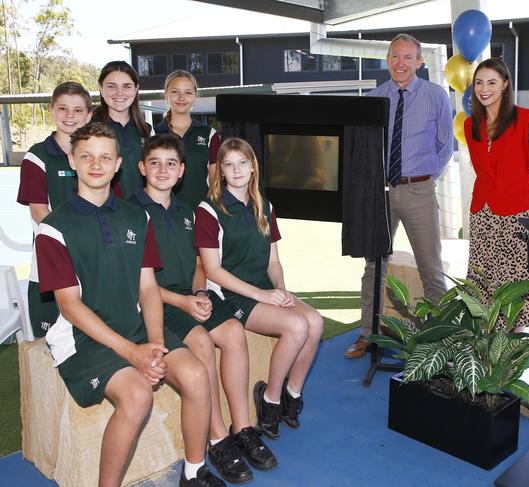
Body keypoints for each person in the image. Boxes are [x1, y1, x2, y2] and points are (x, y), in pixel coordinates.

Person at [35, 123, 224, 487]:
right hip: (82, 337)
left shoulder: (137, 216)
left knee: (197, 375)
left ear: (119, 163)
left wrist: (154, 343)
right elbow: (71, 307)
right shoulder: (54, 228)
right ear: (72, 160)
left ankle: (193, 472)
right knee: (137, 396)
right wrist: (133, 354)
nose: (96, 163)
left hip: (135, 327)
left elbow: (148, 287)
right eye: (86, 156)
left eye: (105, 156)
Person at [130, 134, 277, 483]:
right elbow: (140, 284)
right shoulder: (132, 213)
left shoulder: (186, 211)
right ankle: (217, 440)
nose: (163, 170)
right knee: (201, 344)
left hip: (187, 296)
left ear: (182, 171)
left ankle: (241, 429)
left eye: (171, 163)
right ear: (141, 168)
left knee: (233, 333)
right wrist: (183, 301)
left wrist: (199, 292)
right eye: (154, 163)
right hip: (154, 302)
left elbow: (199, 262)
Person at [195, 137, 323, 440]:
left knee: (315, 322)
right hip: (231, 294)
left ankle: (293, 393)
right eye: (229, 164)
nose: (236, 169)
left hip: (263, 288)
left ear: (253, 167)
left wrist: (281, 289)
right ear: (221, 170)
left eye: (243, 162)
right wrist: (263, 295)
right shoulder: (208, 210)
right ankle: (270, 399)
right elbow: (212, 270)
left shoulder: (264, 205)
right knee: (295, 327)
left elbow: (273, 260)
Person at [346, 33, 454, 358]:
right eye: (395, 56)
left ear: (419, 62)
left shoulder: (436, 96)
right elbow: (365, 147)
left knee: (430, 268)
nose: (401, 63)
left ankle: (441, 341)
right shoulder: (374, 97)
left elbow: (446, 146)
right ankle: (368, 334)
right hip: (381, 193)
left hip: (419, 190)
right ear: (387, 60)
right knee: (374, 265)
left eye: (408, 57)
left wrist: (424, 177)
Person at [463, 58, 529, 329]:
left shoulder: (528, 119)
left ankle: (510, 354)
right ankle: (486, 348)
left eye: (492, 82)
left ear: (506, 84)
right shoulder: (469, 125)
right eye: (479, 82)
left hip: (519, 214)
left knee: (514, 283)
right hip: (482, 213)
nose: (484, 89)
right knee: (483, 280)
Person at [17, 81, 92, 338]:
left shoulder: (94, 154)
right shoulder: (37, 156)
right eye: (63, 108)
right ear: (51, 110)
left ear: (89, 115)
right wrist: (71, 241)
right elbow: (39, 211)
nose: (70, 116)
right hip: (52, 254)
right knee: (48, 340)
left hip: (90, 257)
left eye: (78, 110)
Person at [154, 70, 221, 209]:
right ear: (166, 94)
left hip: (200, 215)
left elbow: (216, 182)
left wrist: (204, 212)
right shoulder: (153, 133)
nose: (181, 97)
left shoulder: (210, 135)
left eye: (188, 92)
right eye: (175, 92)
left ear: (195, 96)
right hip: (164, 215)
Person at [92, 60, 151, 199]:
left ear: (136, 89)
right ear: (100, 88)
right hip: (104, 213)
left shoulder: (147, 130)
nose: (119, 93)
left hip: (142, 213)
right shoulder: (88, 128)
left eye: (127, 86)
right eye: (111, 86)